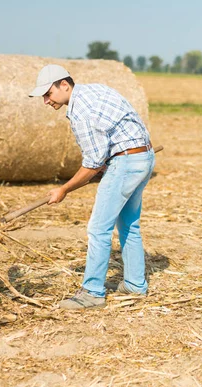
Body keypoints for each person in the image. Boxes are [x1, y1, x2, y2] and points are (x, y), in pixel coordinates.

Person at [29, 65, 155, 309]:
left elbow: (93, 164)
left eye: (48, 93)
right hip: (144, 156)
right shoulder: (95, 90)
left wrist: (63, 189)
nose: (46, 100)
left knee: (99, 229)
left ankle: (92, 292)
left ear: (64, 84)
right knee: (129, 224)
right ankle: (135, 284)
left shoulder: (82, 112)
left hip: (126, 162)